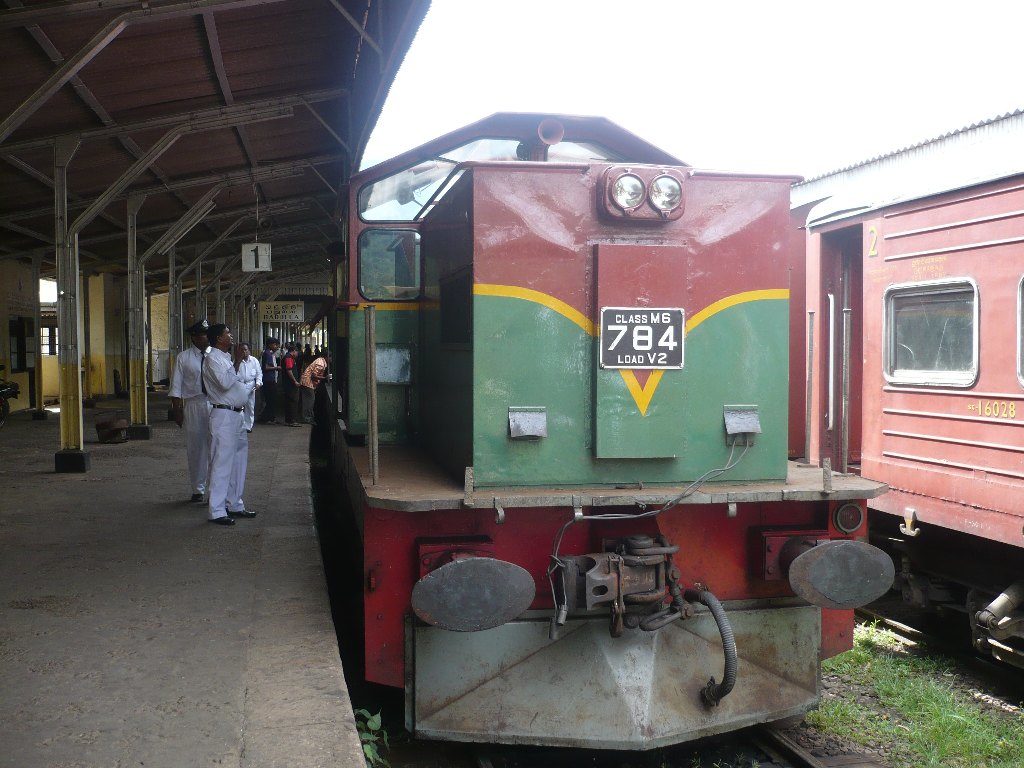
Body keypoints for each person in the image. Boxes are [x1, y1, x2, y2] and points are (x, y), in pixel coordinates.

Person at [202, 323, 257, 526]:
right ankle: (216, 510)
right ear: (218, 338)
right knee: (222, 462)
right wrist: (237, 362)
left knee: (238, 460)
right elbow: (224, 383)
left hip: (237, 416)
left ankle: (235, 502)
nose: (231, 335)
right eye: (227, 333)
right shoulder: (212, 359)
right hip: (223, 416)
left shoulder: (224, 357)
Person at [168, 319, 210, 503]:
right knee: (196, 448)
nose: (206, 338)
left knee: (217, 447)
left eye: (207, 335)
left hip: (215, 404)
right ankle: (198, 489)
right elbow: (176, 385)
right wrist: (177, 409)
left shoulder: (217, 356)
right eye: (202, 335)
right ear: (193, 338)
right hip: (194, 404)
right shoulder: (183, 358)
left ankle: (216, 488)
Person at [299, 352, 328, 424]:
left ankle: (309, 417)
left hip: (307, 382)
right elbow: (313, 376)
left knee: (309, 400)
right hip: (308, 383)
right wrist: (325, 378)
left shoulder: (320, 361)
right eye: (331, 358)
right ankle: (307, 419)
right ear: (327, 357)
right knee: (309, 401)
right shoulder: (320, 363)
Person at [258, 337, 280, 424]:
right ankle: (267, 418)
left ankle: (270, 417)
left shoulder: (270, 353)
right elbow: (266, 367)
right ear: (270, 345)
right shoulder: (267, 354)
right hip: (268, 380)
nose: (276, 347)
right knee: (270, 400)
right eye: (275, 345)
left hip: (270, 379)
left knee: (271, 399)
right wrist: (276, 368)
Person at [281, 342, 301, 427]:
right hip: (290, 384)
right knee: (293, 401)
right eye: (297, 352)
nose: (297, 354)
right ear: (293, 351)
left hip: (288, 384)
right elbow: (289, 370)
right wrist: (295, 381)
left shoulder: (289, 357)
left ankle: (288, 420)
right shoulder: (288, 358)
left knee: (288, 402)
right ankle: (292, 420)